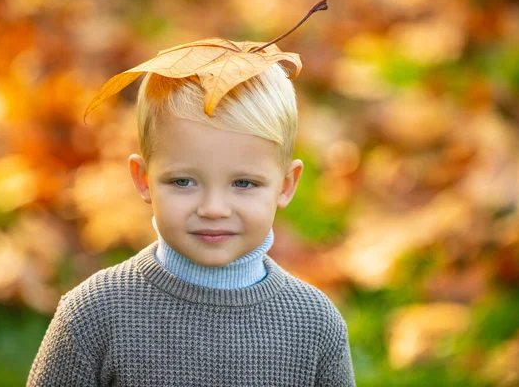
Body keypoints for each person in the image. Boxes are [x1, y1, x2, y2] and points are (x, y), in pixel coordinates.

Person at [27, 63, 356, 386]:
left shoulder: (315, 325)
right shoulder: (95, 314)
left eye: (243, 184)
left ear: (285, 185)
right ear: (144, 179)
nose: (213, 209)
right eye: (183, 181)